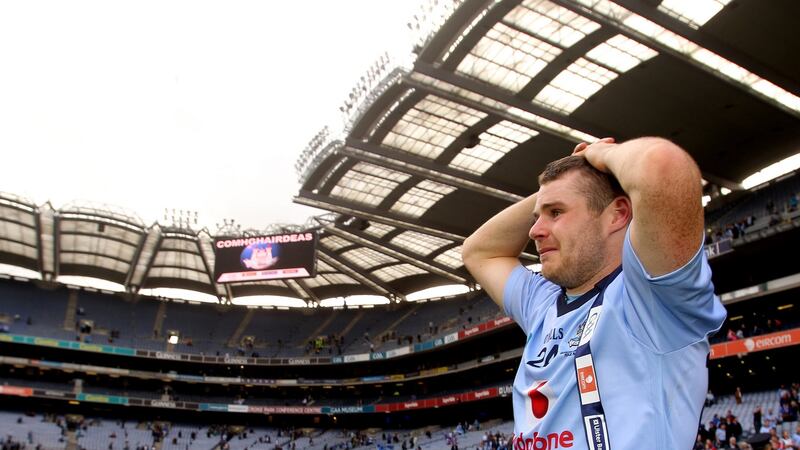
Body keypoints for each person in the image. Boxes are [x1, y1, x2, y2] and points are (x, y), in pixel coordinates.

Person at [462, 137, 726, 449]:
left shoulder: (651, 300)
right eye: (537, 217)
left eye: (556, 212)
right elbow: (478, 252)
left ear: (616, 215)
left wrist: (599, 156)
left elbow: (662, 166)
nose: (534, 231)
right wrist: (560, 184)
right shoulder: (542, 304)